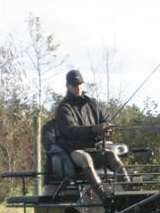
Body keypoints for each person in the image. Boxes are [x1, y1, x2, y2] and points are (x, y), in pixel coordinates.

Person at [55, 69, 129, 201]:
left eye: (79, 85)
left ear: (83, 85)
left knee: (111, 155)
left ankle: (129, 191)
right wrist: (94, 129)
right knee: (85, 158)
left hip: (95, 148)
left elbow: (106, 121)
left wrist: (108, 129)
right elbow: (71, 131)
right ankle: (105, 197)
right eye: (74, 85)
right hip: (74, 150)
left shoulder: (93, 104)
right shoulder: (64, 108)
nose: (77, 88)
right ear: (67, 86)